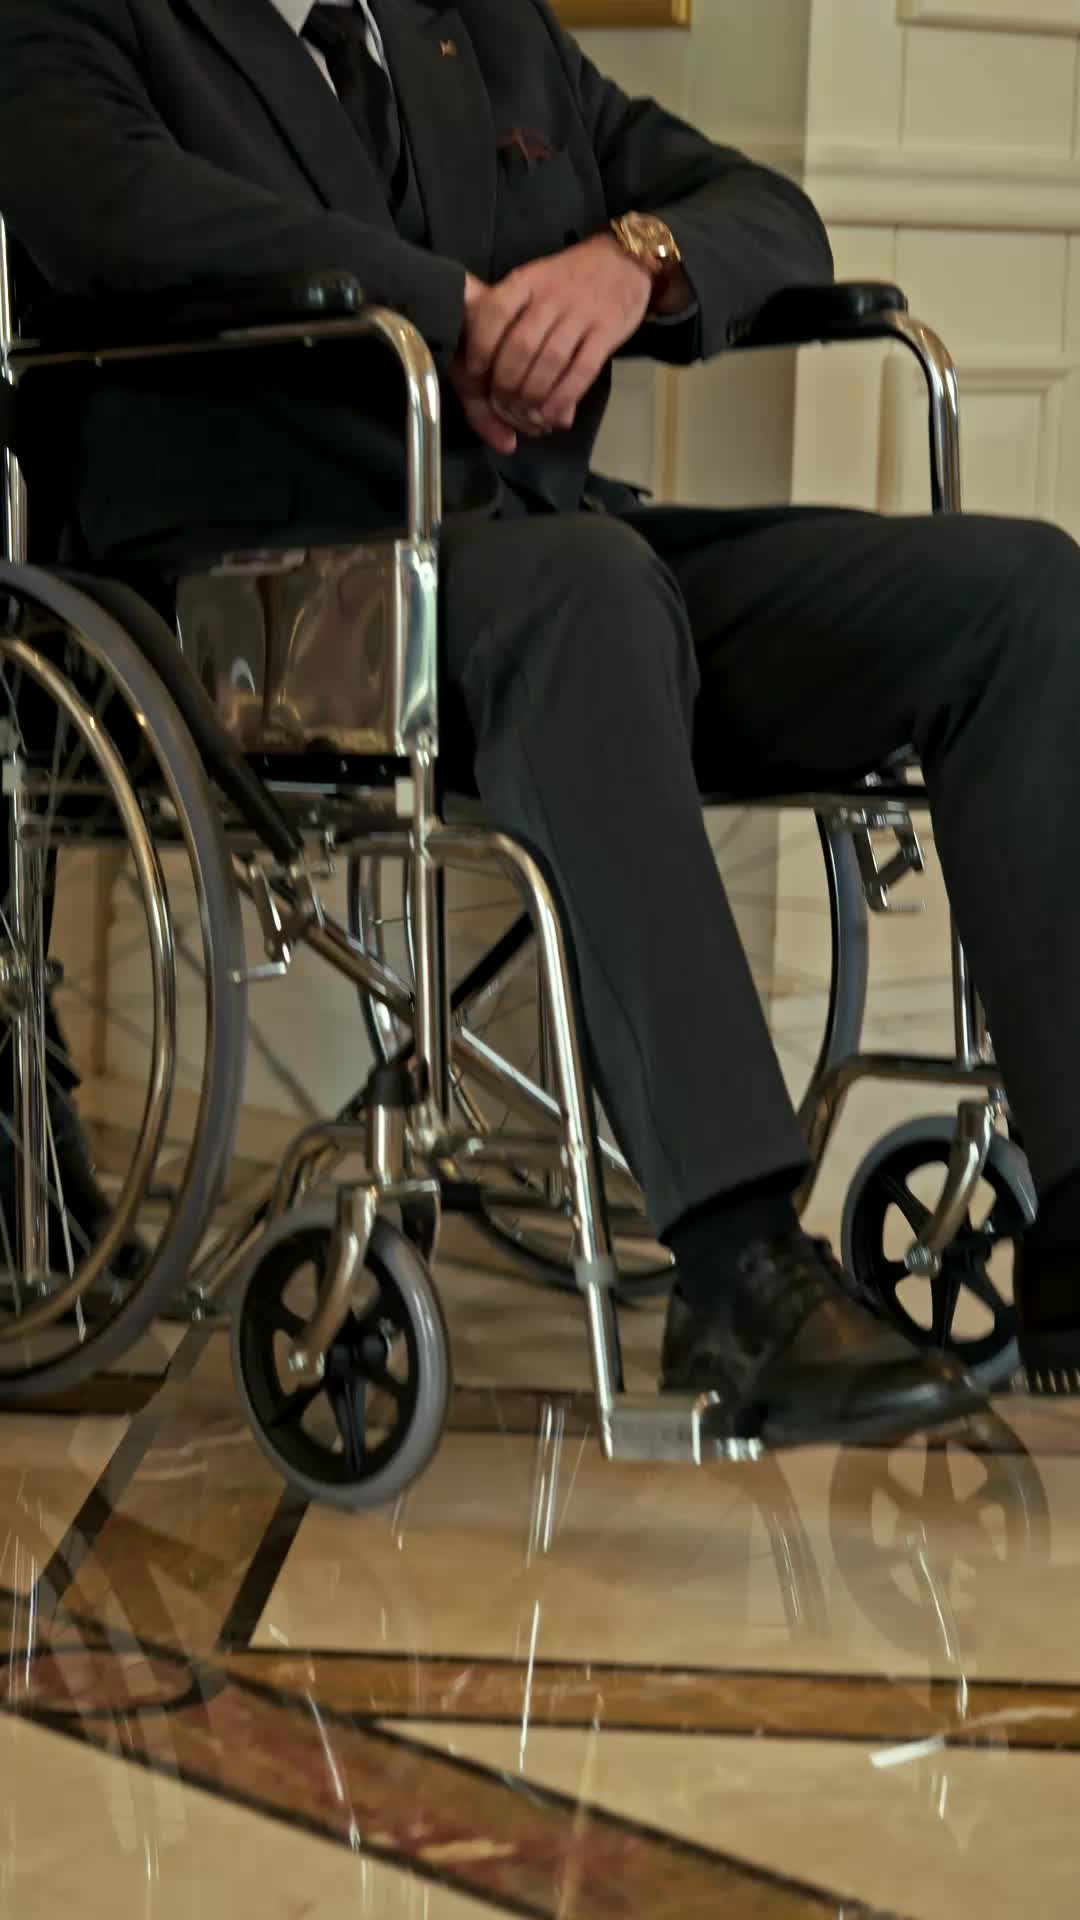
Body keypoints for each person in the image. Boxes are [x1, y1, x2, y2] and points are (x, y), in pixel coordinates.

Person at [2, 0, 1078, 1446]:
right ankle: (738, 1263)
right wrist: (456, 310)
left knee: (1017, 593)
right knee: (588, 594)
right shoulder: (76, 18)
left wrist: (631, 264)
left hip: (555, 560)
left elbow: (771, 214)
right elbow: (122, 224)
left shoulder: (479, 27)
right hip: (264, 592)